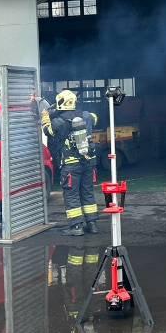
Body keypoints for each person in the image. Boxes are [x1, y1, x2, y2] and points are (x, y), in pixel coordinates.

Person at [42, 90, 100, 236]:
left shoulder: (58, 122)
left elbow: (47, 131)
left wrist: (45, 116)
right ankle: (92, 225)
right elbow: (95, 118)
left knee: (71, 195)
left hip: (70, 165)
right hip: (88, 163)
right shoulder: (86, 116)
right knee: (87, 193)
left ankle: (76, 227)